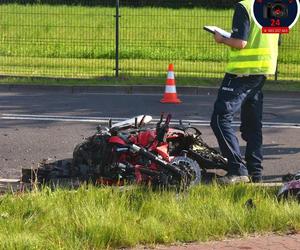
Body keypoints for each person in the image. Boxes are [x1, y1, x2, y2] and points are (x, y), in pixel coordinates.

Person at [210, 0, 279, 184]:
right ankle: (255, 173)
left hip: (241, 72)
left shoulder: (244, 6)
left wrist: (222, 38)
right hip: (262, 71)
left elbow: (240, 42)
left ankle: (237, 169)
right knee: (252, 123)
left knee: (220, 118)